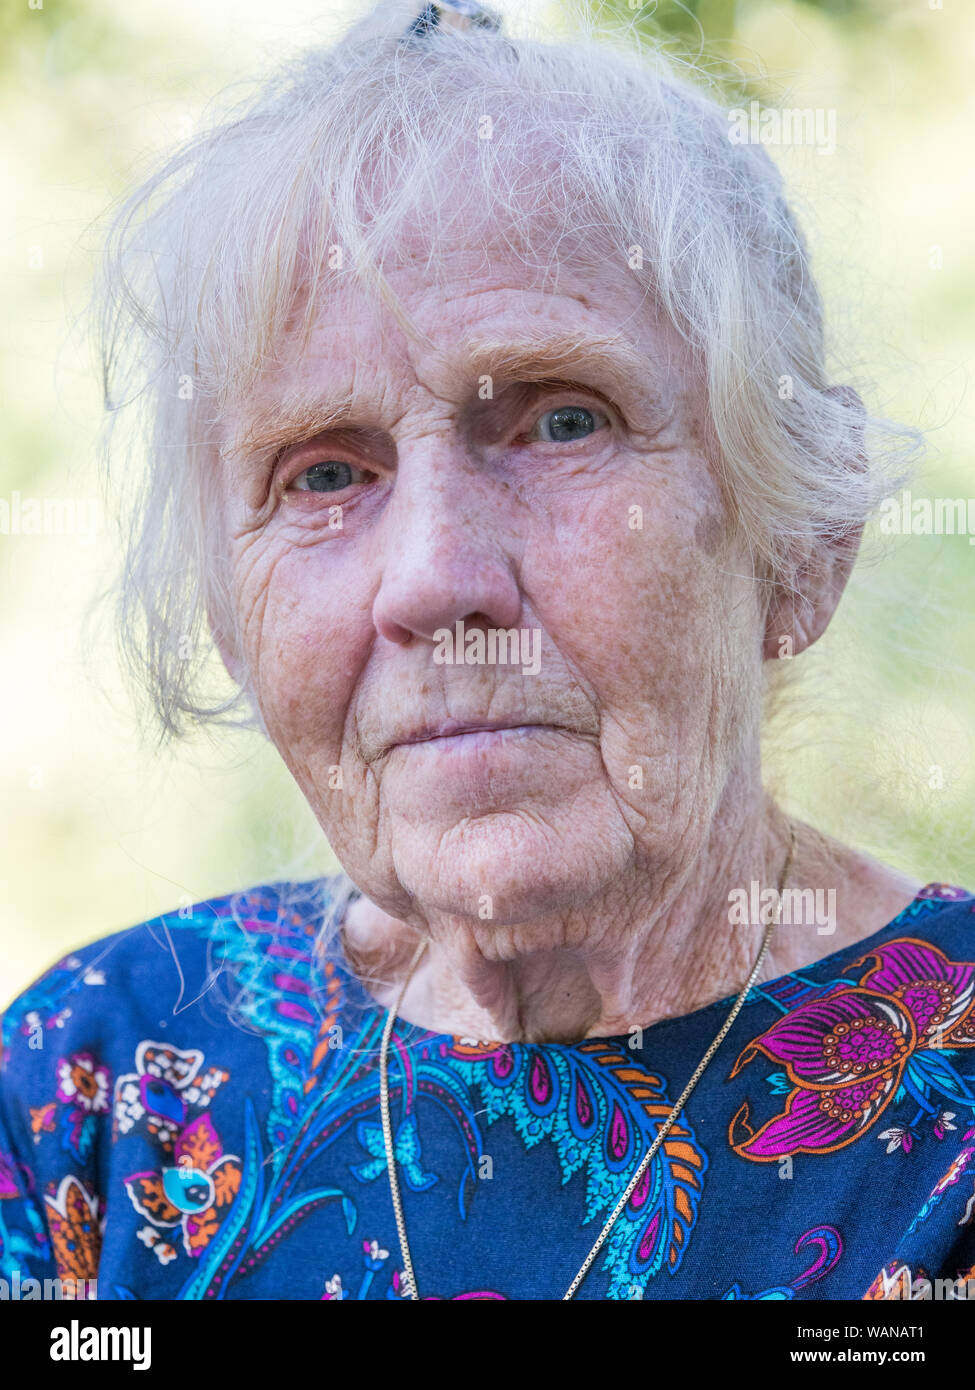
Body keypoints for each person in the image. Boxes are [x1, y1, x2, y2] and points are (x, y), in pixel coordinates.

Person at [1, 0, 972, 1301]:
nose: (433, 580)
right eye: (325, 473)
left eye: (564, 421)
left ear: (802, 539)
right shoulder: (99, 1094)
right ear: (236, 617)